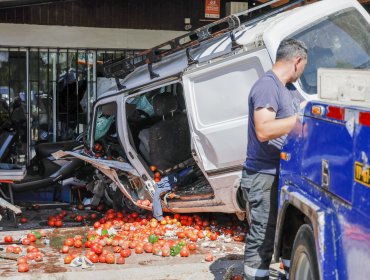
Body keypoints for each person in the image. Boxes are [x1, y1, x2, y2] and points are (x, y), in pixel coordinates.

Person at [241, 38, 308, 280]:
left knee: (288, 230)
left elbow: (304, 115)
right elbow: (264, 129)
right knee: (263, 236)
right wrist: (302, 120)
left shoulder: (288, 90)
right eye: (303, 66)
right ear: (297, 61)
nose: (303, 72)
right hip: (263, 176)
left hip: (284, 174)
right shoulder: (267, 86)